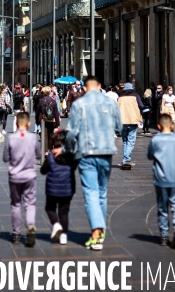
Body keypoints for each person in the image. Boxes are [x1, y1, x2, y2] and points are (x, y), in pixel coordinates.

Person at [53, 75, 122, 250]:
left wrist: (66, 150)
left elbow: (72, 132)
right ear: (99, 86)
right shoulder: (111, 103)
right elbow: (119, 127)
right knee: (101, 192)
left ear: (84, 88)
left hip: (86, 153)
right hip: (106, 152)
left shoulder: (79, 105)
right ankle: (101, 230)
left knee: (91, 193)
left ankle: (96, 232)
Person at [147, 114, 175, 248]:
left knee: (162, 208)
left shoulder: (155, 140)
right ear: (172, 126)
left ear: (158, 126)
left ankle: (164, 237)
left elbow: (149, 155)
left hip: (160, 180)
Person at [3, 111, 41, 247]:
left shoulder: (11, 138)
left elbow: (5, 158)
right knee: (30, 203)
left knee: (16, 205)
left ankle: (16, 234)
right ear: (29, 124)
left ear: (16, 123)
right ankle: (30, 226)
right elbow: (38, 155)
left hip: (15, 175)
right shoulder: (33, 138)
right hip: (30, 175)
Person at [40, 130, 76, 245]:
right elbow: (74, 170)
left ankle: (55, 224)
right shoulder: (71, 158)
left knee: (50, 208)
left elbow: (42, 171)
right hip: (67, 189)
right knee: (64, 212)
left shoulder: (51, 157)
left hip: (52, 190)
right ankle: (64, 236)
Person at [117, 82, 144, 170]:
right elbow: (141, 105)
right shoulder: (135, 95)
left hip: (123, 121)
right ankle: (127, 159)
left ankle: (125, 159)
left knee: (125, 141)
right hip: (133, 120)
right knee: (131, 141)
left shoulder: (120, 97)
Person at [36, 86, 60, 151]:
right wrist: (58, 124)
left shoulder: (41, 101)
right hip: (52, 120)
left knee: (44, 136)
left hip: (43, 120)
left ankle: (45, 151)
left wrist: (37, 121)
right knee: (51, 135)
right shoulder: (53, 101)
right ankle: (50, 149)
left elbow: (37, 111)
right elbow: (56, 113)